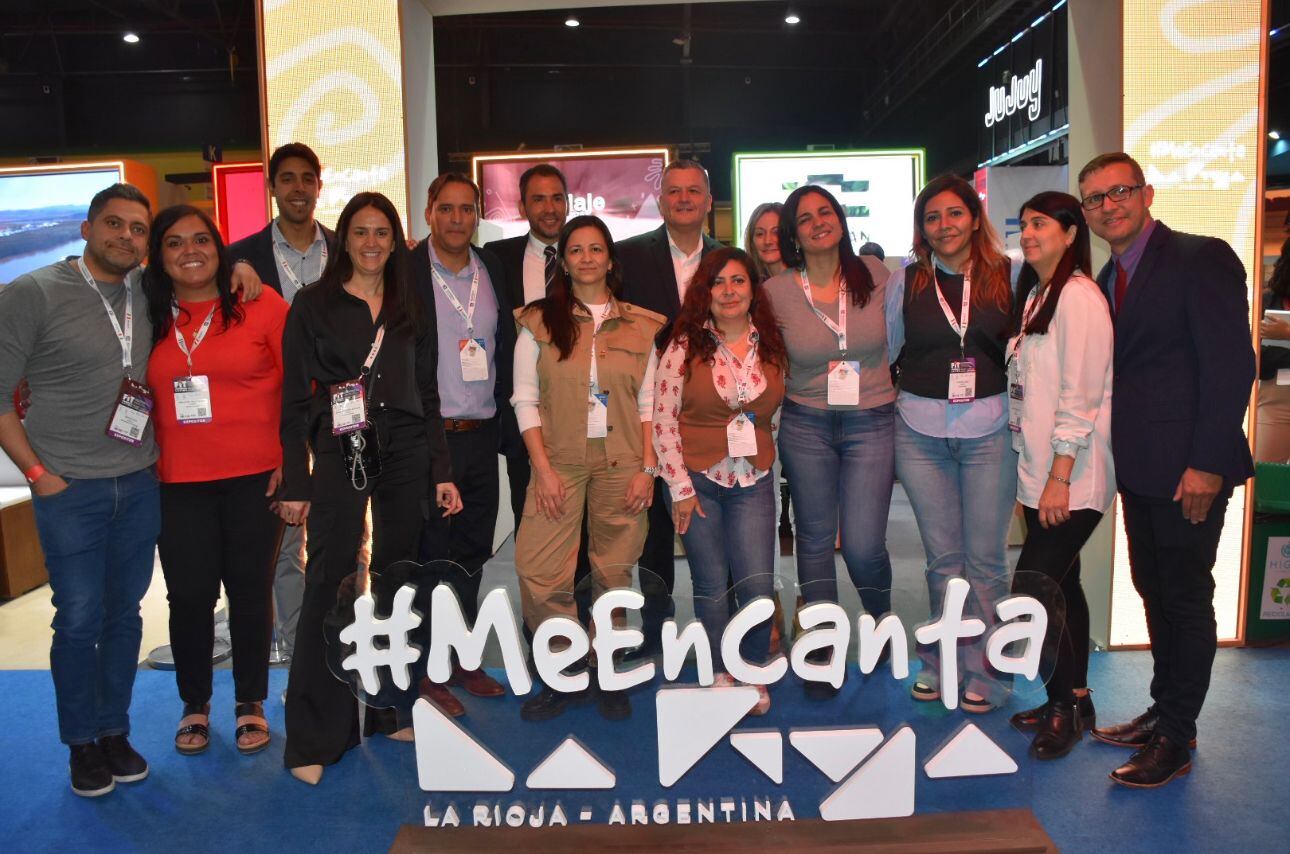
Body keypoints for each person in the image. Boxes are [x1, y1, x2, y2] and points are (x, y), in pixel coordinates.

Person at [1078, 152, 1254, 788]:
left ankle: (1176, 736)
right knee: (1153, 588)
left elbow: (1232, 365)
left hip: (1190, 470)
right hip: (1141, 468)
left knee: (1184, 596)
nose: (1109, 206)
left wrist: (1206, 464)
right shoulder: (1107, 277)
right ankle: (1164, 711)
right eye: (1095, 199)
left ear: (1146, 193)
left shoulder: (1199, 257)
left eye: (1120, 191)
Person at [277, 192, 461, 786]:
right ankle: (316, 735)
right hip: (342, 446)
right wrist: (298, 479)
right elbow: (294, 401)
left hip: (407, 449)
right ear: (344, 239)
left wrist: (441, 469)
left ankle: (390, 707)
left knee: (398, 577)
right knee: (329, 579)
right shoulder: (313, 305)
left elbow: (428, 392)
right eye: (361, 231)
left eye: (383, 232)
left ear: (395, 240)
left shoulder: (412, 304)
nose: (372, 243)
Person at [0, 184, 159, 797]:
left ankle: (114, 730)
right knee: (78, 618)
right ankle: (81, 744)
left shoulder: (147, 290)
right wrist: (37, 475)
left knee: (125, 615)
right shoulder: (33, 292)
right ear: (88, 228)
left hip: (138, 482)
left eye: (138, 228)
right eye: (114, 224)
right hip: (69, 489)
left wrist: (243, 271)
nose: (126, 237)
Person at [143, 205, 289, 757]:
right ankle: (194, 704)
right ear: (159, 257)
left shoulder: (260, 304)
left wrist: (293, 460)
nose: (191, 251)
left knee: (250, 591)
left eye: (202, 239)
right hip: (177, 481)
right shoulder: (147, 312)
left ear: (220, 248)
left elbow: (300, 386)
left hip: (256, 477)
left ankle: (250, 701)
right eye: (175, 242)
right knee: (189, 596)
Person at [512, 214, 664, 722]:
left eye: (596, 248)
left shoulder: (642, 325)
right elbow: (524, 400)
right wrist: (542, 470)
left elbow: (649, 403)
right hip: (558, 461)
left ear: (610, 259)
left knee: (614, 571)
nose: (586, 258)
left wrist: (648, 468)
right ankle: (565, 667)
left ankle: (606, 667)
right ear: (564, 261)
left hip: (624, 461)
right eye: (575, 249)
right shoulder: (538, 322)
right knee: (539, 570)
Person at [886, 174, 1016, 713]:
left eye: (954, 213)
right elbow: (891, 350)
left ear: (974, 218)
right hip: (920, 433)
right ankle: (940, 662)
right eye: (933, 217)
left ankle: (990, 667)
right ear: (922, 228)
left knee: (985, 560)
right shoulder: (906, 282)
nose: (944, 225)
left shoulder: (1010, 274)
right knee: (943, 561)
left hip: (991, 431)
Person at [764, 185, 895, 699]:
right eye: (805, 218)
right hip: (807, 423)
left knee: (863, 544)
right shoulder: (776, 291)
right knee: (814, 540)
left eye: (826, 212)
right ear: (793, 236)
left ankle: (882, 622)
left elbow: (899, 336)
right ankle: (822, 650)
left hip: (871, 420)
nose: (818, 222)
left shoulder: (875, 274)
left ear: (840, 220)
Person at [1001, 192, 1113, 760]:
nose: (1028, 233)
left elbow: (1080, 396)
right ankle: (1072, 700)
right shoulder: (1037, 296)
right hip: (1039, 472)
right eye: (1024, 224)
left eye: (1040, 223)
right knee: (1064, 586)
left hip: (1073, 476)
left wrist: (1060, 474)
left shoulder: (1079, 297)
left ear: (1071, 233)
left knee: (1037, 587)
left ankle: (1063, 708)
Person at [653, 247, 787, 713]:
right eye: (718, 282)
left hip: (754, 481)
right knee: (711, 586)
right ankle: (718, 673)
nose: (729, 291)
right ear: (704, 292)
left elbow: (775, 416)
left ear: (753, 289)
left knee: (757, 585)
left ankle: (752, 669)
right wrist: (680, 490)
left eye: (738, 281)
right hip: (698, 482)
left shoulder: (771, 344)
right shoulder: (683, 346)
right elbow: (663, 421)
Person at [410, 172, 514, 713]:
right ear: (429, 211)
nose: (457, 219)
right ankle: (428, 667)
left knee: (473, 553)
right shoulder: (407, 269)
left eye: (467, 209)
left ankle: (463, 656)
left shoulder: (490, 267)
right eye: (446, 208)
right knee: (431, 555)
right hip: (431, 438)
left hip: (481, 434)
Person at [228, 142, 335, 664]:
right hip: (275, 411)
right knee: (286, 536)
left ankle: (341, 641)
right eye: (287, 178)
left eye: (306, 178)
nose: (298, 188)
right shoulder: (240, 258)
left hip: (340, 407)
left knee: (345, 532)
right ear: (272, 187)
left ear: (319, 186)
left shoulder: (346, 249)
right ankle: (296, 653)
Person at [617, 159, 722, 651]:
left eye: (693, 191)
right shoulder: (629, 257)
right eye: (674, 191)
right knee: (653, 531)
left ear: (708, 201)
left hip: (712, 415)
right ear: (661, 202)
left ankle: (721, 630)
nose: (683, 199)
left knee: (712, 521)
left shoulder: (728, 260)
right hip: (647, 410)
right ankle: (656, 628)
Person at [483, 164, 569, 534]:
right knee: (530, 520)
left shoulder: (587, 253)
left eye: (557, 198)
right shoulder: (495, 257)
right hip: (522, 412)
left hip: (581, 414)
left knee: (583, 528)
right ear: (522, 207)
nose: (549, 208)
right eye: (539, 199)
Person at [1255, 239, 1290, 462]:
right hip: (1275, 398)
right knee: (1263, 471)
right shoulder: (1267, 300)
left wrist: (1287, 333)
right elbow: (1258, 355)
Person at [744, 201, 787, 281]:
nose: (767, 241)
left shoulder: (806, 279)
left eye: (776, 232)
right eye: (760, 234)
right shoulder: (753, 283)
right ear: (752, 242)